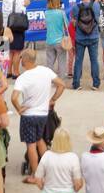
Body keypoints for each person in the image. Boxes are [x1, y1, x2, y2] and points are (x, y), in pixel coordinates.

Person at [12, 48, 65, 183]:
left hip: (29, 114)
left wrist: (19, 109)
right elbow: (61, 85)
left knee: (31, 144)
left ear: (25, 60)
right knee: (40, 140)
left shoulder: (22, 78)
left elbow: (13, 98)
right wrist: (52, 100)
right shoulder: (45, 71)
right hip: (43, 113)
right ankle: (48, 170)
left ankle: (36, 175)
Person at [32, 126, 82, 193]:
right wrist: (74, 190)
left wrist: (43, 188)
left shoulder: (46, 155)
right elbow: (78, 183)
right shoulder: (73, 157)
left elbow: (37, 179)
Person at [71, 0, 102, 90]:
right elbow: (98, 20)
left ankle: (76, 84)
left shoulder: (75, 7)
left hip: (80, 37)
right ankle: (96, 84)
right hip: (93, 37)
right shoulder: (96, 6)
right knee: (94, 60)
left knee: (78, 61)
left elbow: (74, 23)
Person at [0, 0, 29, 77]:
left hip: (6, 28)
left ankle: (8, 71)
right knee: (17, 52)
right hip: (17, 28)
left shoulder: (4, 0)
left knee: (9, 51)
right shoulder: (19, 0)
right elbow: (28, 2)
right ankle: (15, 72)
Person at [42, 0, 71, 78]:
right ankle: (60, 80)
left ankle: (49, 79)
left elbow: (44, 25)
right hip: (60, 41)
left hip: (49, 41)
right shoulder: (61, 13)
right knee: (61, 62)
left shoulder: (46, 13)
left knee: (50, 63)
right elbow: (67, 26)